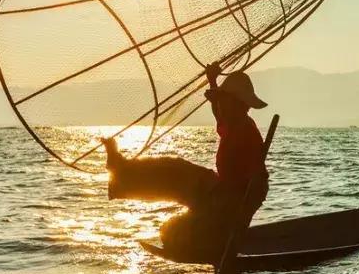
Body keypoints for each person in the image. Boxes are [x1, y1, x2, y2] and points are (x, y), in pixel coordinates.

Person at [103, 63, 270, 260]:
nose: (221, 106)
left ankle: (213, 241)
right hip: (218, 189)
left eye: (226, 101)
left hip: (229, 201)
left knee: (170, 232)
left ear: (240, 105)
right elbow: (218, 112)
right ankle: (122, 174)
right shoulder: (229, 121)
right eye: (221, 100)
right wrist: (212, 80)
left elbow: (256, 187)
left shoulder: (246, 132)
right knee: (175, 168)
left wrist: (237, 213)